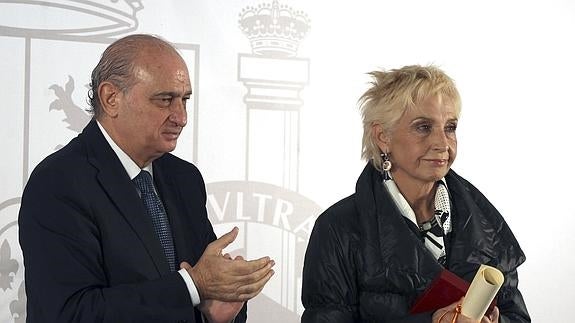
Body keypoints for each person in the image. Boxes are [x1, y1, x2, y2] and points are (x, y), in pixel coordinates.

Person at [19, 34, 275, 323]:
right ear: (111, 98)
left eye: (184, 100)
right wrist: (193, 285)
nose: (181, 117)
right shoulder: (58, 183)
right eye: (165, 100)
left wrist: (217, 315)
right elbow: (68, 314)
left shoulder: (185, 179)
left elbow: (202, 299)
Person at [301, 65, 530, 322]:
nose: (442, 143)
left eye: (450, 127)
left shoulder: (486, 222)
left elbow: (517, 316)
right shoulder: (338, 228)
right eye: (423, 127)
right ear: (382, 137)